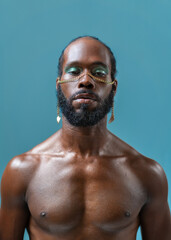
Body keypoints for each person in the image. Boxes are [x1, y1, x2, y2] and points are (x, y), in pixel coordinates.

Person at [0, 36, 170, 240]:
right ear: (58, 85)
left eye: (98, 73)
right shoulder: (22, 171)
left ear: (113, 88)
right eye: (74, 71)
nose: (86, 80)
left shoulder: (146, 173)